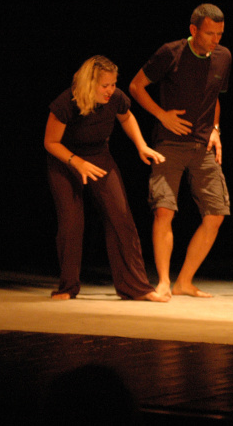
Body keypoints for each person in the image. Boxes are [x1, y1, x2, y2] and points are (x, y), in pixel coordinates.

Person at [44, 55, 167, 301]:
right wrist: (77, 162)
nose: (111, 90)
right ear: (89, 84)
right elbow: (51, 142)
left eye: (113, 84)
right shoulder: (66, 102)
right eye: (105, 85)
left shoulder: (116, 98)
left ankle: (136, 288)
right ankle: (68, 287)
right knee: (72, 223)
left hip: (99, 156)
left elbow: (127, 116)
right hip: (66, 160)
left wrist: (141, 145)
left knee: (121, 218)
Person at [129, 3, 231, 299]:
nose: (215, 40)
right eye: (210, 33)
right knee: (164, 210)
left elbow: (215, 97)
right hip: (169, 143)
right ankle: (163, 281)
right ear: (193, 30)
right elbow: (136, 86)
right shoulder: (171, 52)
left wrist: (216, 129)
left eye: (220, 34)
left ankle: (184, 281)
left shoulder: (223, 56)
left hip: (203, 146)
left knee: (216, 213)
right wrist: (162, 115)